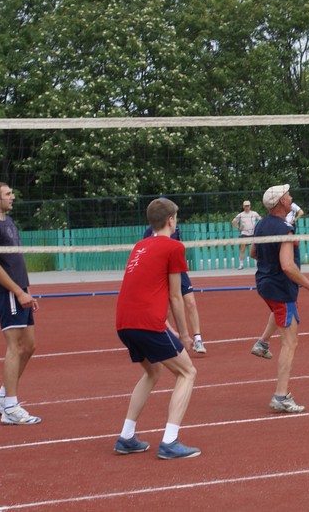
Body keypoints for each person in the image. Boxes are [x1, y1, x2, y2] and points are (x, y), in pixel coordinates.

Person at [113, 197, 201, 459]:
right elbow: (176, 296)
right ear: (170, 220)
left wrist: (167, 327)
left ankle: (127, 436)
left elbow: (141, 289)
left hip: (124, 322)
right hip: (146, 323)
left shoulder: (140, 246)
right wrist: (184, 334)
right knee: (187, 372)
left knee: (153, 372)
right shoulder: (174, 247)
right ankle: (170, 441)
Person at [248, 183, 309, 413]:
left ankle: (262, 343)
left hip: (264, 283)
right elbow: (288, 266)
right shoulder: (285, 228)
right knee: (290, 342)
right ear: (282, 202)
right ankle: (281, 395)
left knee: (279, 312)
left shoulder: (261, 224)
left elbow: (253, 253)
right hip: (281, 287)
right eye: (288, 195)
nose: (291, 197)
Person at [0, 182, 42, 426]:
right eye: (8, 194)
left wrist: (25, 289)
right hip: (8, 292)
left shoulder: (8, 222)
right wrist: (17, 291)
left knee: (29, 346)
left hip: (19, 290)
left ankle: (1, 398)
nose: (12, 196)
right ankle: (10, 407)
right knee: (16, 347)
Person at [141, 216, 206, 355]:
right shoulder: (149, 232)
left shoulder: (175, 229)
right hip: (162, 271)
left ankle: (198, 339)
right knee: (167, 308)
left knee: (191, 303)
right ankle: (169, 336)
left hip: (178, 270)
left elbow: (178, 246)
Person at [231, 200, 261, 269]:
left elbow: (261, 219)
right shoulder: (241, 215)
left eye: (248, 206)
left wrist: (259, 227)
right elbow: (233, 222)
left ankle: (259, 263)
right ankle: (241, 264)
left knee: (256, 249)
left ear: (250, 206)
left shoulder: (254, 213)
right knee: (242, 249)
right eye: (245, 206)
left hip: (252, 233)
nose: (247, 207)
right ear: (243, 207)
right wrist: (238, 227)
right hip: (244, 234)